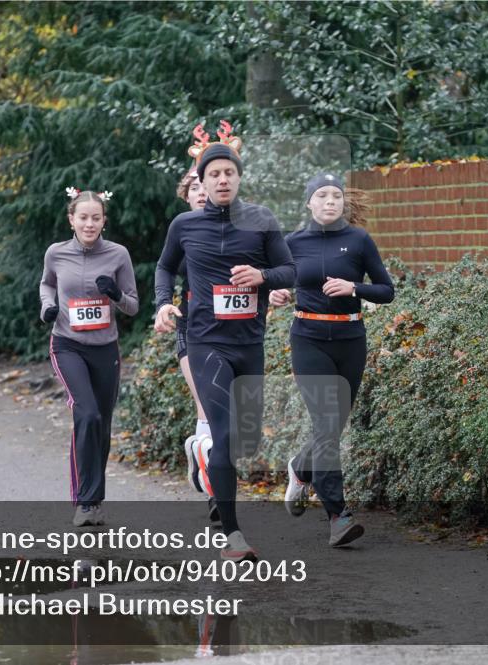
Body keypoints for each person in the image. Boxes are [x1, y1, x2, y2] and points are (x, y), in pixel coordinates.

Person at [154, 121, 296, 562]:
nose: (221, 180)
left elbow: (291, 271)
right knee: (225, 432)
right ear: (200, 180)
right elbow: (164, 269)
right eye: (212, 174)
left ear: (238, 178)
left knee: (244, 438)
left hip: (249, 342)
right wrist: (163, 304)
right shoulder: (184, 225)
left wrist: (262, 276)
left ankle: (205, 457)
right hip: (205, 341)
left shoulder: (262, 221)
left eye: (228, 173)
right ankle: (232, 536)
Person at [269, 173, 394, 547]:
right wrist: (276, 294)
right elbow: (275, 283)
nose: (329, 202)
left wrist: (354, 287)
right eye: (321, 196)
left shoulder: (358, 240)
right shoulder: (292, 243)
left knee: (333, 426)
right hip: (308, 338)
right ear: (309, 203)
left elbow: (387, 290)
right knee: (326, 420)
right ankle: (338, 515)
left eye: (335, 196)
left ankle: (300, 467)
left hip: (351, 338)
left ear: (343, 203)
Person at [40, 188, 139, 527]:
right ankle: (84, 501)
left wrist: (114, 295)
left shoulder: (118, 255)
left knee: (103, 424)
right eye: (83, 217)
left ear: (103, 221)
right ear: (71, 219)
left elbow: (133, 305)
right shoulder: (56, 253)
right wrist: (48, 307)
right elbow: (47, 285)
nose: (89, 223)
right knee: (87, 414)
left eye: (96, 218)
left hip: (105, 348)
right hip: (67, 344)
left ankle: (95, 501)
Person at [173, 169, 214, 501]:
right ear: (186, 195)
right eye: (194, 188)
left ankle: (199, 452)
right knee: (205, 401)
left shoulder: (236, 228)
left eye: (205, 186)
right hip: (191, 327)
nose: (200, 192)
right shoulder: (183, 230)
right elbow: (166, 268)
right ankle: (214, 486)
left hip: (230, 329)